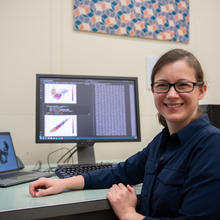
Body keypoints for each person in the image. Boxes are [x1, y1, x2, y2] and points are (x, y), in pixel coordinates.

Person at [29, 49, 220, 220]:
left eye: (183, 85)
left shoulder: (212, 146)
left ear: (201, 90)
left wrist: (128, 214)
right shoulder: (162, 142)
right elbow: (121, 172)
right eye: (162, 85)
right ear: (153, 90)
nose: (171, 94)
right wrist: (62, 184)